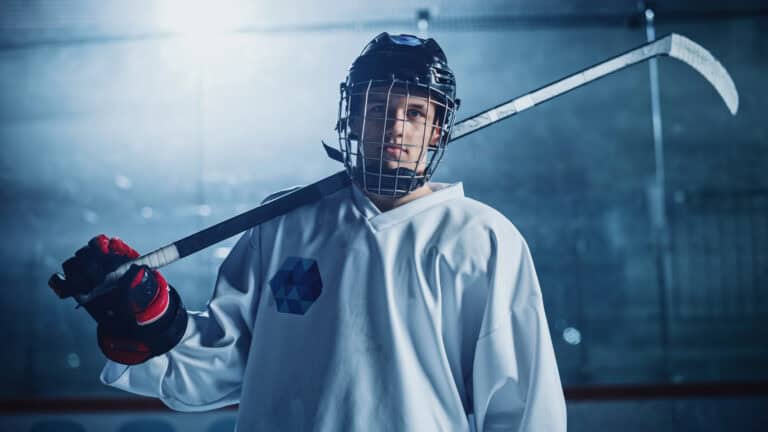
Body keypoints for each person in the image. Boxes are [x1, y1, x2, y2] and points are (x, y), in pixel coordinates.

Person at [50, 32, 566, 431]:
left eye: (414, 113)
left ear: (436, 129)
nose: (395, 127)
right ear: (352, 118)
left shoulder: (482, 239)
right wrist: (155, 323)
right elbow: (221, 366)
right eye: (379, 109)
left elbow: (522, 404)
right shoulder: (283, 223)